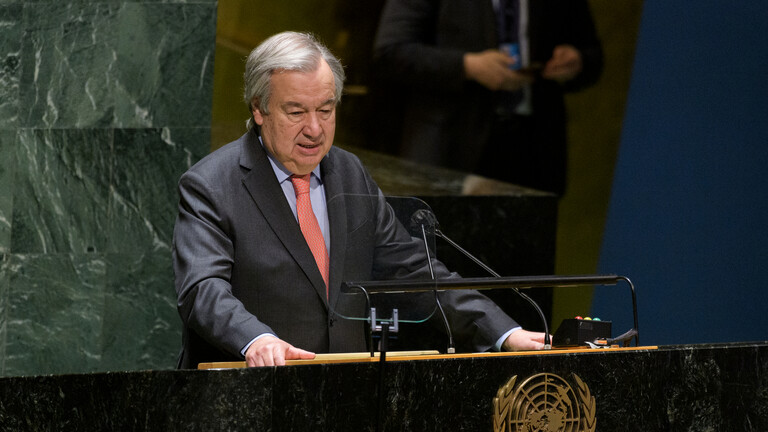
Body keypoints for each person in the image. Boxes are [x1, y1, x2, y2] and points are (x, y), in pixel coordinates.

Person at [172, 31, 547, 369]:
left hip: (346, 392)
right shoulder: (212, 185)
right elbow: (202, 289)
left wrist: (503, 332)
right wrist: (255, 339)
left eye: (326, 110)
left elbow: (412, 272)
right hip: (251, 393)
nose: (314, 129)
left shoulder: (349, 173)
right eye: (296, 112)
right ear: (259, 108)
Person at [372, 0, 603, 195]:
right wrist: (468, 66)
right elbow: (390, 51)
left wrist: (578, 61)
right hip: (450, 145)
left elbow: (593, 55)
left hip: (535, 147)